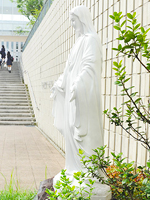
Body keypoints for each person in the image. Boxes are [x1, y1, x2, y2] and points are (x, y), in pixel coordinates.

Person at [50, 6, 103, 179]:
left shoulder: (91, 40)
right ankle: (74, 169)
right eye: (71, 21)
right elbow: (68, 69)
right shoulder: (78, 43)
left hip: (82, 96)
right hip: (71, 96)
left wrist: (78, 84)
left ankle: (88, 173)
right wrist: (60, 84)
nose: (73, 25)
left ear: (82, 19)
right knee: (71, 131)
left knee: (81, 133)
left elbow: (90, 66)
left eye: (74, 20)